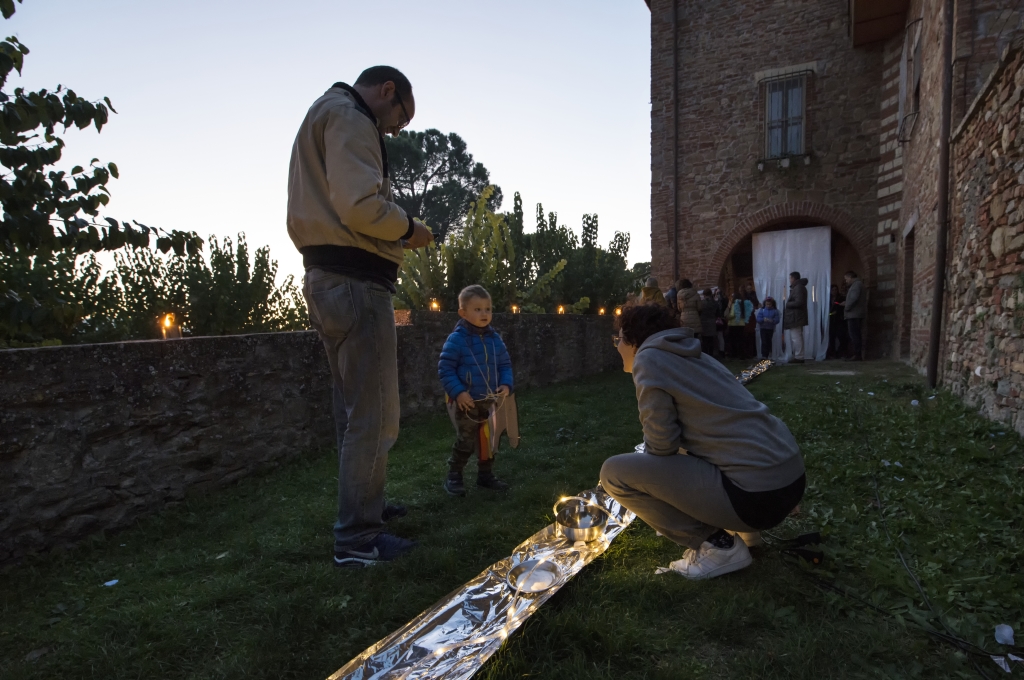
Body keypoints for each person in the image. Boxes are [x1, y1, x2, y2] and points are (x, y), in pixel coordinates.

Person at [288, 66, 434, 568]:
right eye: (398, 119)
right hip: (354, 283)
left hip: (331, 279)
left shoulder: (324, 113)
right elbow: (359, 208)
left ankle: (364, 510)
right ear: (386, 91)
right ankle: (357, 540)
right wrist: (412, 229)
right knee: (374, 413)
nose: (395, 130)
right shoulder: (350, 117)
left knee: (352, 410)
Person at [600, 304, 805, 579]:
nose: (617, 347)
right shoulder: (699, 357)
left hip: (757, 497)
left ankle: (718, 546)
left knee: (614, 474)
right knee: (694, 449)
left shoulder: (648, 359)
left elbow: (661, 445)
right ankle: (747, 533)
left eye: (619, 340)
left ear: (633, 340)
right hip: (788, 480)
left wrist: (657, 485)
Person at [438, 285, 514, 495]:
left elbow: (505, 365)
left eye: (488, 309)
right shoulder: (457, 339)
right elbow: (445, 369)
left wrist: (506, 385)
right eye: (478, 309)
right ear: (463, 313)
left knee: (489, 440)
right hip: (467, 401)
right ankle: (454, 476)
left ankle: (485, 475)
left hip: (489, 401)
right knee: (467, 440)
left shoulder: (494, 339)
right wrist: (459, 392)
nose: (484, 314)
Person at [782, 272, 808, 364]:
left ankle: (799, 356)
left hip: (796, 316)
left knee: (796, 337)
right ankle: (798, 355)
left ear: (793, 278)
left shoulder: (798, 288)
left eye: (790, 278)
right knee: (797, 336)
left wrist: (788, 304)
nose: (790, 280)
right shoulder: (799, 287)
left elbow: (799, 302)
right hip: (797, 316)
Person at [842, 271, 866, 361]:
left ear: (850, 277)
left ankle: (857, 354)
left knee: (854, 335)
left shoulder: (856, 285)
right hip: (855, 313)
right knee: (855, 334)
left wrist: (847, 307)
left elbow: (853, 298)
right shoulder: (858, 284)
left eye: (846, 279)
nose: (846, 281)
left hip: (854, 314)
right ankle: (856, 354)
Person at [725, 292, 753, 359]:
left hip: (734, 324)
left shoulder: (735, 304)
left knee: (733, 340)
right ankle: (742, 354)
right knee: (741, 340)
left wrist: (727, 317)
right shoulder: (743, 304)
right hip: (742, 324)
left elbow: (732, 314)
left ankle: (734, 354)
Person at [827, 284, 847, 359]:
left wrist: (837, 312)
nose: (834, 291)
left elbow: (842, 307)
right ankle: (833, 353)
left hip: (839, 319)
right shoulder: (828, 298)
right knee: (832, 337)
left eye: (836, 290)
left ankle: (841, 352)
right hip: (831, 320)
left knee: (841, 337)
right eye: (833, 290)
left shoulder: (841, 298)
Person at [699, 288, 718, 357]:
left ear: (704, 294)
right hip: (712, 322)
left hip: (703, 322)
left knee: (704, 341)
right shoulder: (715, 303)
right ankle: (711, 354)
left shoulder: (702, 303)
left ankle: (705, 355)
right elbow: (717, 312)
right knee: (711, 341)